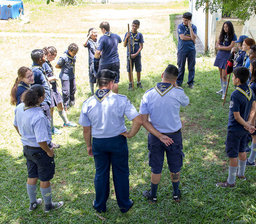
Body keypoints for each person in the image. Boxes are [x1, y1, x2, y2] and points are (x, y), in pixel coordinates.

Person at [79, 69, 142, 213]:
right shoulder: (121, 99)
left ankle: (100, 205)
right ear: (112, 83)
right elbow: (138, 120)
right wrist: (130, 134)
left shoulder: (88, 103)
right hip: (117, 141)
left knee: (101, 173)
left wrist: (89, 145)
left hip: (99, 143)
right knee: (121, 172)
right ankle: (124, 204)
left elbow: (86, 129)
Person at [139, 64, 189, 202]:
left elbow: (144, 121)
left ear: (162, 75)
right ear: (175, 79)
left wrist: (160, 136)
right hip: (174, 136)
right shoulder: (178, 92)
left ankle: (153, 195)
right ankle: (175, 193)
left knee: (156, 167)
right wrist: (177, 87)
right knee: (175, 166)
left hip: (156, 136)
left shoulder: (148, 94)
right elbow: (186, 102)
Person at [13, 85, 64, 212]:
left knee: (32, 175)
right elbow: (41, 140)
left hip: (27, 148)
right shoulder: (38, 115)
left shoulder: (19, 108)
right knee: (45, 178)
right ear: (40, 98)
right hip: (40, 151)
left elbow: (15, 125)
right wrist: (49, 151)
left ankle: (33, 203)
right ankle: (48, 205)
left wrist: (23, 135)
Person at [216, 67, 256, 188]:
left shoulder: (236, 94)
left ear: (237, 80)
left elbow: (237, 116)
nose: (232, 79)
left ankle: (231, 181)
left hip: (235, 129)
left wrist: (246, 124)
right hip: (245, 129)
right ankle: (241, 175)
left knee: (233, 155)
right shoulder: (250, 90)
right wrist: (249, 123)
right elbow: (254, 107)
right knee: (242, 150)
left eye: (233, 77)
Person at [43, 47, 76, 135]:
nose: (54, 58)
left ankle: (66, 122)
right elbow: (42, 78)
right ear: (49, 54)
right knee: (51, 109)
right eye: (54, 56)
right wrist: (52, 78)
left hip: (54, 88)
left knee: (60, 104)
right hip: (48, 89)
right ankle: (51, 128)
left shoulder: (48, 63)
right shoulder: (43, 64)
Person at [31, 49, 60, 148]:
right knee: (46, 122)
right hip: (42, 102)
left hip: (46, 99)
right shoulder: (36, 71)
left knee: (47, 121)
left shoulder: (39, 68)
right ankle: (48, 144)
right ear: (39, 59)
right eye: (44, 56)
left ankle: (49, 142)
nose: (45, 57)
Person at [94, 21, 122, 93]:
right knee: (115, 81)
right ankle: (115, 98)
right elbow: (120, 40)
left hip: (105, 63)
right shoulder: (115, 36)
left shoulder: (103, 38)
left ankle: (104, 98)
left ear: (103, 29)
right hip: (115, 62)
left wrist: (95, 59)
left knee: (103, 81)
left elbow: (98, 52)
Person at [214, 21, 237, 100]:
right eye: (224, 27)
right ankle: (222, 89)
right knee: (220, 74)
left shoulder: (233, 36)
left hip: (227, 56)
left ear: (230, 27)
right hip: (220, 55)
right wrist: (220, 47)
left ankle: (224, 92)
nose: (225, 28)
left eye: (227, 27)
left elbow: (230, 47)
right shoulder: (222, 34)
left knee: (224, 75)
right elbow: (217, 45)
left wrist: (221, 47)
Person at [176, 12, 197, 89]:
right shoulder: (180, 26)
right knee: (181, 67)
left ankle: (190, 82)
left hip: (191, 50)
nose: (184, 22)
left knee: (191, 67)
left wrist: (190, 28)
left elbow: (194, 37)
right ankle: (179, 82)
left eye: (186, 20)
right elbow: (182, 37)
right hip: (182, 50)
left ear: (190, 20)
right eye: (184, 20)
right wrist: (192, 38)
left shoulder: (194, 27)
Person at [56, 43, 79, 110]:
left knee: (73, 89)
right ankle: (66, 105)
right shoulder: (63, 57)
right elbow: (57, 66)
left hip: (72, 75)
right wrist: (64, 68)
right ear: (69, 51)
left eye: (76, 53)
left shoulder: (74, 56)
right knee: (66, 91)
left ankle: (72, 102)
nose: (75, 54)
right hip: (65, 76)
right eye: (74, 53)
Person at [123, 19, 144, 90]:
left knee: (138, 69)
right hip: (129, 55)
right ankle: (130, 83)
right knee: (129, 69)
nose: (134, 27)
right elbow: (124, 45)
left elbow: (141, 46)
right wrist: (126, 37)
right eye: (133, 26)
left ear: (138, 27)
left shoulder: (139, 35)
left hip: (137, 55)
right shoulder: (128, 34)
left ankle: (138, 82)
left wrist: (136, 54)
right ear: (131, 25)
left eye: (136, 26)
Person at [84, 28, 98, 95]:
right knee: (92, 76)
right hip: (92, 62)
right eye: (94, 33)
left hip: (99, 61)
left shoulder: (98, 41)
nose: (96, 34)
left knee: (99, 76)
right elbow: (84, 44)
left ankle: (99, 90)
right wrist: (88, 36)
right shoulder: (89, 42)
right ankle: (92, 93)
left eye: (96, 32)